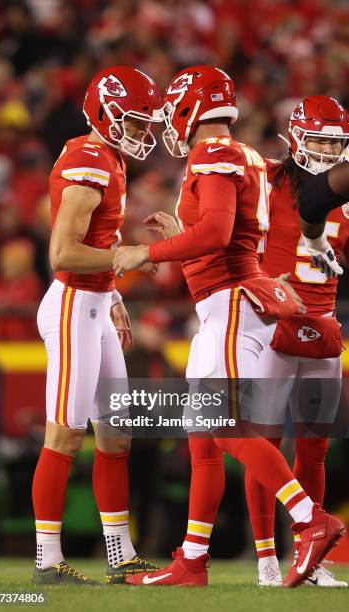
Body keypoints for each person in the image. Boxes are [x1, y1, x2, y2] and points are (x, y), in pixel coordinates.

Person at [113, 66, 345, 588]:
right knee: (202, 434)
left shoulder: (217, 152)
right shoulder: (248, 159)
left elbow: (218, 234)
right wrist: (181, 239)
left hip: (236, 305)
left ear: (190, 107)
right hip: (229, 300)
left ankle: (310, 521)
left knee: (227, 427)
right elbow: (225, 235)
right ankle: (193, 558)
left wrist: (142, 252)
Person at [32, 65, 163, 585]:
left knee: (116, 437)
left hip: (95, 306)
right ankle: (47, 559)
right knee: (64, 436)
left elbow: (96, 250)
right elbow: (63, 253)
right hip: (70, 309)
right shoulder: (90, 161)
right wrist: (131, 255)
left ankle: (119, 552)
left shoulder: (106, 157)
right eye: (133, 122)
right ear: (105, 115)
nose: (142, 133)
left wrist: (113, 295)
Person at [244, 95, 349, 587]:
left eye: (336, 141)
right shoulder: (264, 178)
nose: (328, 150)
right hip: (270, 324)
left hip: (323, 326)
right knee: (264, 439)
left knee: (313, 450)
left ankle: (310, 562)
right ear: (294, 139)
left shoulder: (345, 193)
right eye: (319, 139)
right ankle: (266, 557)